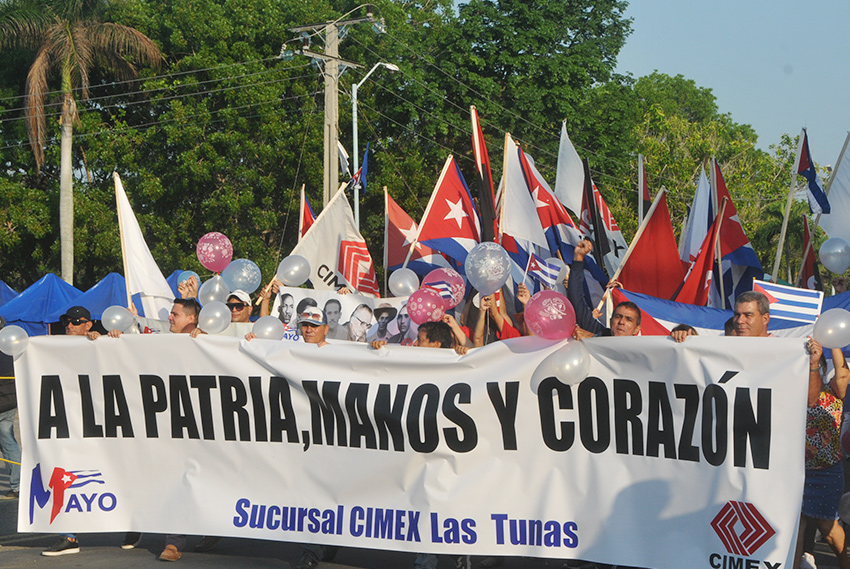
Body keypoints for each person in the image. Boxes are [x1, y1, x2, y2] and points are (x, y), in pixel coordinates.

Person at [43, 307, 97, 556]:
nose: (70, 325)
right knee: (64, 473)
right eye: (67, 321)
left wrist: (110, 338)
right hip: (66, 424)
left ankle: (130, 524)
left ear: (89, 324)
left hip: (97, 425)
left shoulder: (99, 342)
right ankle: (69, 536)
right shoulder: (52, 346)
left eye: (77, 321)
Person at [794, 338, 850, 569]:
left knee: (828, 530)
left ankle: (845, 562)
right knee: (796, 526)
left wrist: (832, 340)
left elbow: (843, 373)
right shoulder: (792, 396)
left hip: (827, 472)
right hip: (796, 472)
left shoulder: (834, 394)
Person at [568, 240, 641, 338]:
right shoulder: (601, 333)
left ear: (636, 329)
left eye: (629, 319)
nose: (621, 322)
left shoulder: (640, 349)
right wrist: (578, 258)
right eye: (618, 317)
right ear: (611, 321)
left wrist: (593, 338)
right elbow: (576, 301)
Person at [0, 316, 20, 501]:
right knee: (8, 441)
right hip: (10, 399)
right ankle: (18, 484)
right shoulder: (10, 345)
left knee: (7, 441)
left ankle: (18, 484)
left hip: (3, 400)